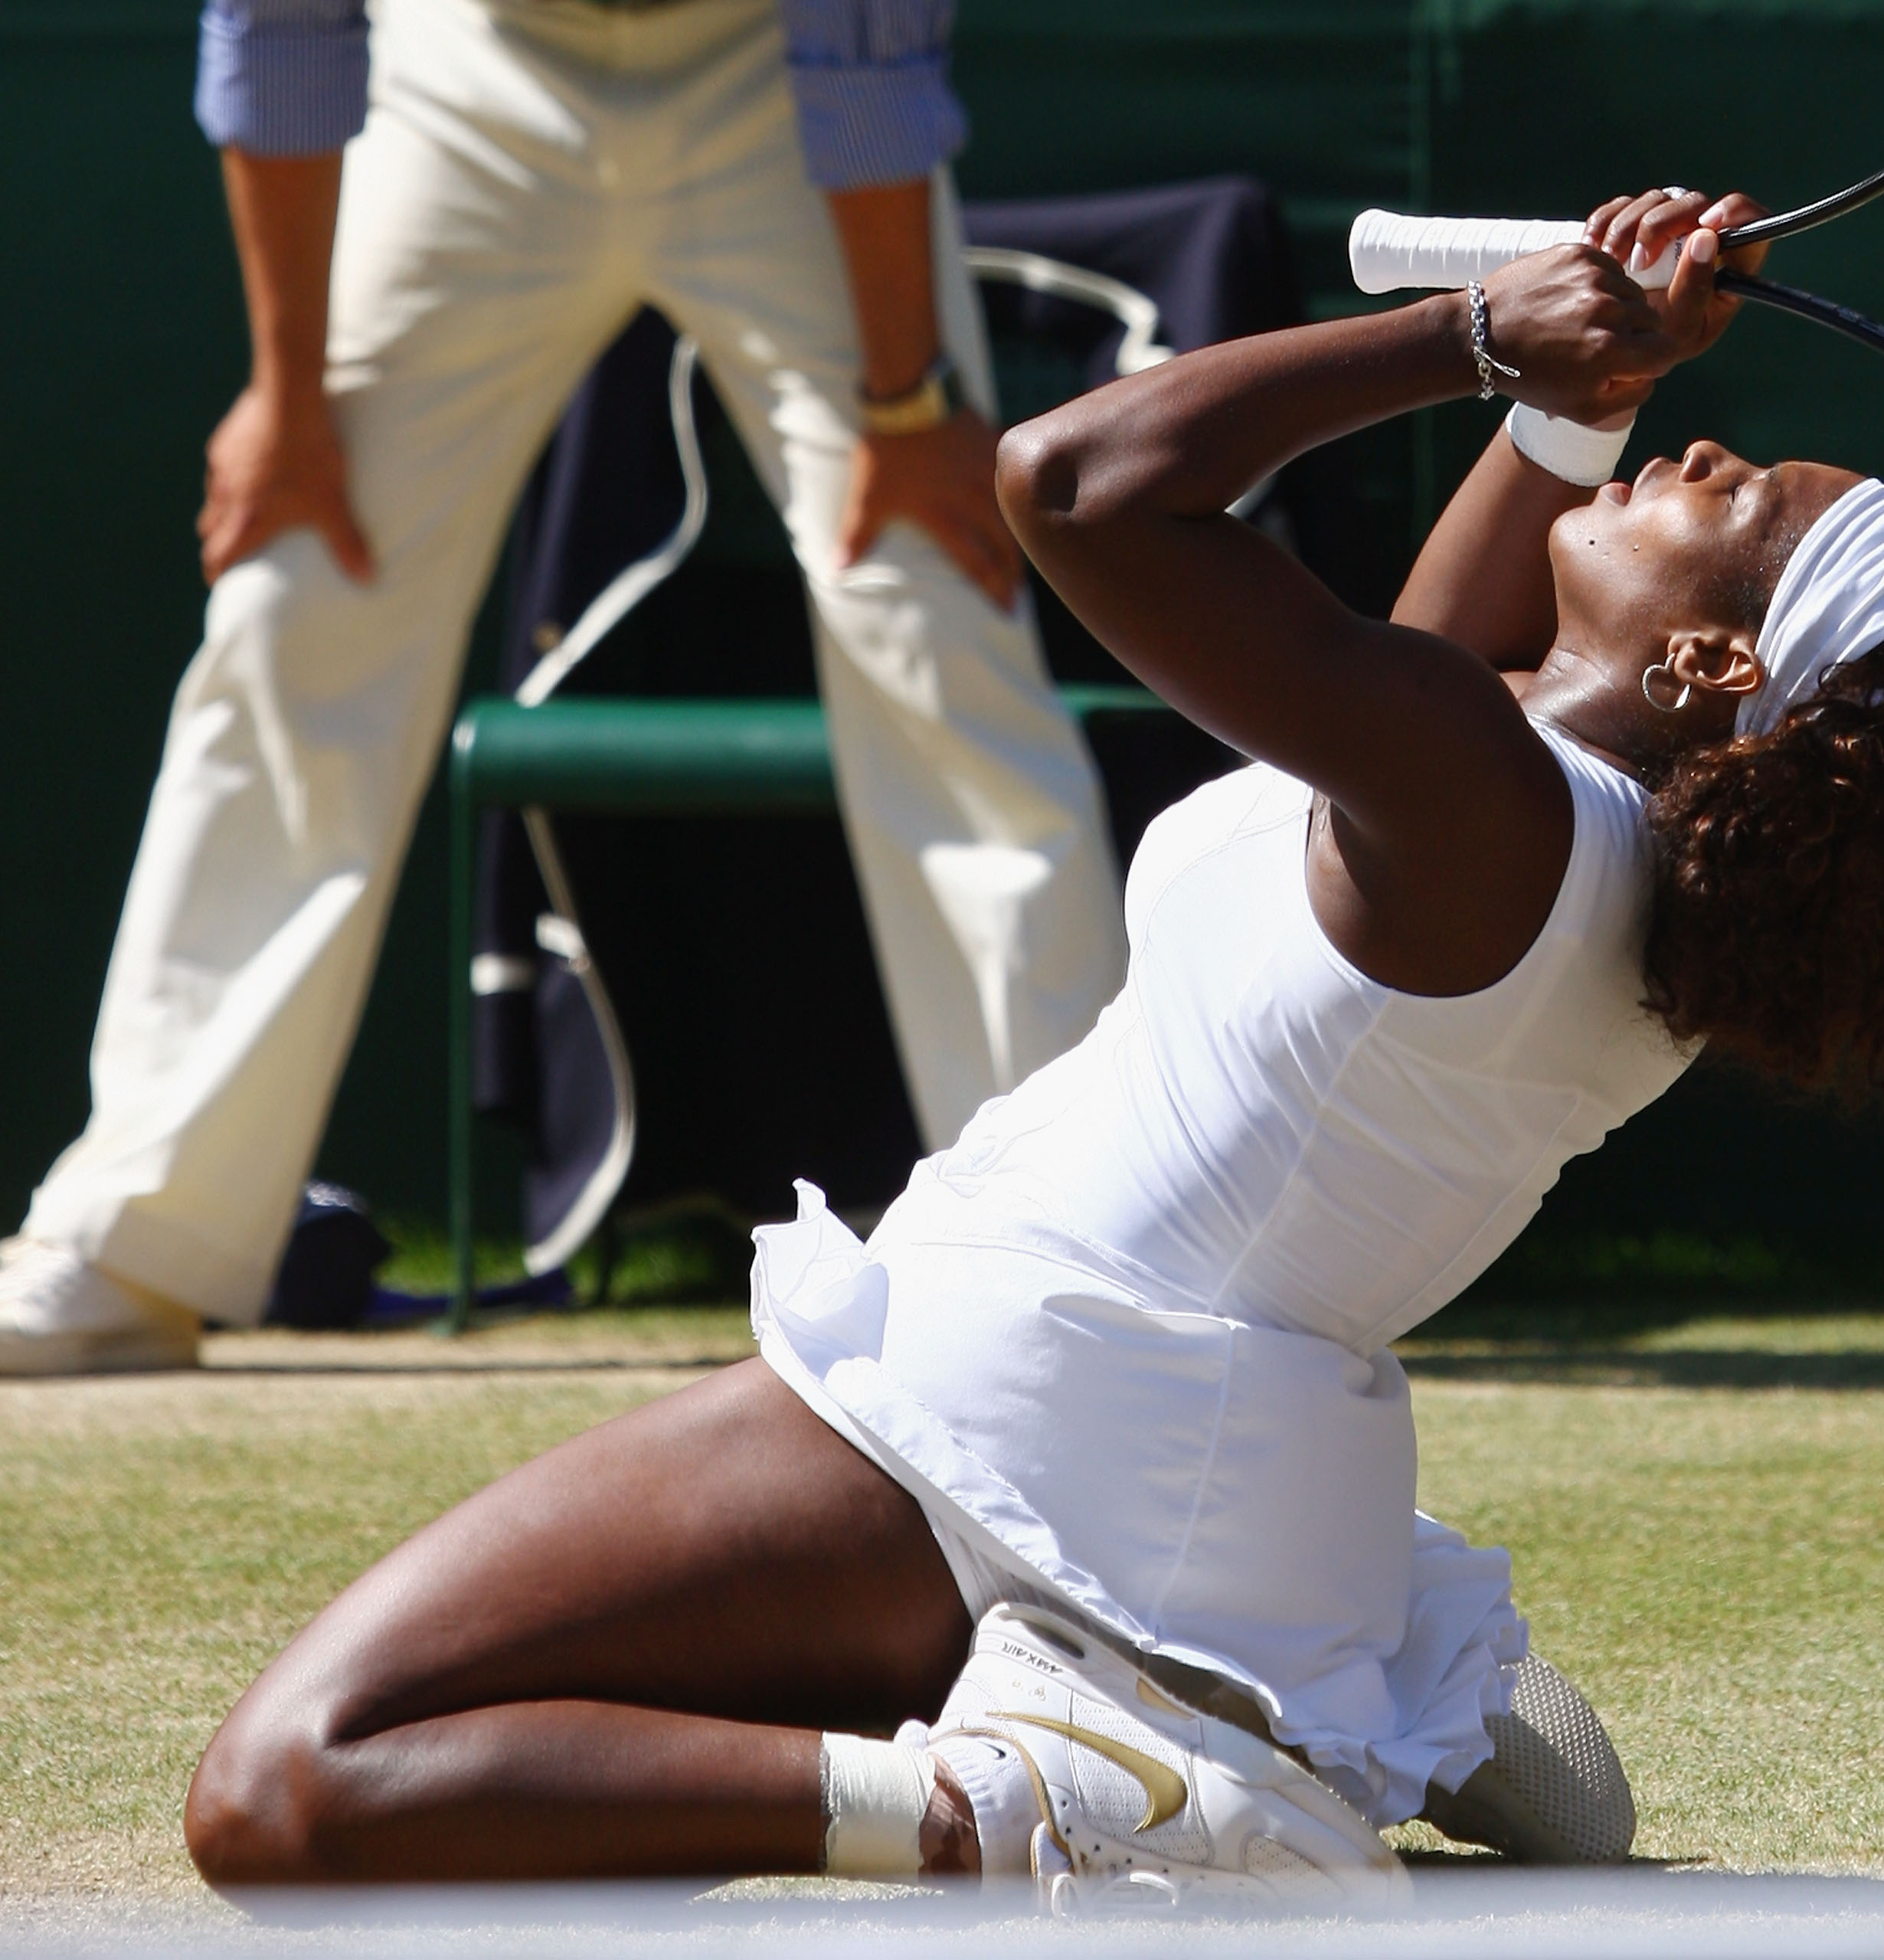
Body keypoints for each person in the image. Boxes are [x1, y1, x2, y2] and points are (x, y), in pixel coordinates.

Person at [177, 190, 1884, 1903]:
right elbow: (1430, 650)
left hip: (1009, 1401)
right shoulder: (1556, 841)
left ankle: (1027, 1788)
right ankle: (1326, 1659)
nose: (1700, 453)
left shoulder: (1487, 807)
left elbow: (1079, 478)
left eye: (1728, 493)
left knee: (291, 1784)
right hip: (1181, 1428)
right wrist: (1579, 391)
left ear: (1720, 664)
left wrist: (1470, 336)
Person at [0, 0, 1127, 1376]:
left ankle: (1090, 1239)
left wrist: (903, 406)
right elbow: (280, 22)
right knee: (295, 602)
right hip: (467, 66)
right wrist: (286, 397)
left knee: (938, 609)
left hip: (776, 70)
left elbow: (861, 40)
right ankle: (136, 1237)